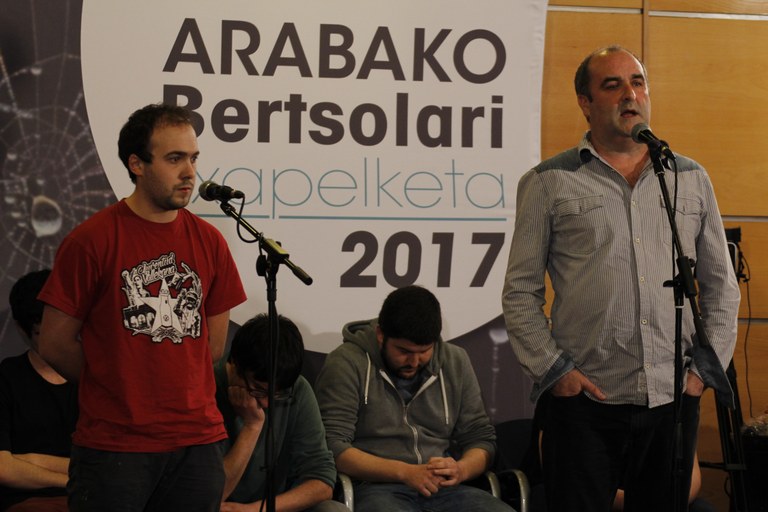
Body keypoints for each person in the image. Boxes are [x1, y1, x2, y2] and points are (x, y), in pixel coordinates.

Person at [501, 45, 740, 511]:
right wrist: (556, 373)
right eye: (612, 85)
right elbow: (519, 293)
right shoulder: (548, 181)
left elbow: (720, 287)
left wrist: (701, 373)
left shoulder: (688, 178)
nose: (630, 94)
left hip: (672, 399)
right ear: (585, 103)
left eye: (637, 82)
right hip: (584, 405)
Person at [36, 103, 247, 511]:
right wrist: (115, 382)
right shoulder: (92, 240)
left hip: (198, 444)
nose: (190, 172)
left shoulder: (211, 241)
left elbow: (212, 346)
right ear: (136, 164)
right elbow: (55, 343)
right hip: (115, 446)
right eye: (174, 159)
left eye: (193, 158)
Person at [314, 285, 515, 512]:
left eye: (424, 351)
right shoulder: (347, 362)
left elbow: (480, 438)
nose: (414, 361)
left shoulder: (455, 360)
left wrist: (461, 469)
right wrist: (405, 472)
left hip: (445, 489)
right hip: (375, 487)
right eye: (404, 351)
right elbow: (333, 447)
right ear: (381, 335)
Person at [215, 313, 347, 512]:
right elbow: (209, 494)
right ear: (234, 365)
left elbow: (322, 480)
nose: (267, 403)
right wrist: (252, 427)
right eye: (258, 389)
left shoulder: (297, 389)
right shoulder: (206, 390)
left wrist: (255, 510)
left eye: (277, 394)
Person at [0, 269, 77, 512]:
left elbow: (114, 463)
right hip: (29, 502)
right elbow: (4, 468)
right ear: (23, 329)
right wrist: (75, 479)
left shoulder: (98, 377)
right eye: (42, 331)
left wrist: (31, 460)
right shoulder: (7, 378)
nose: (56, 339)